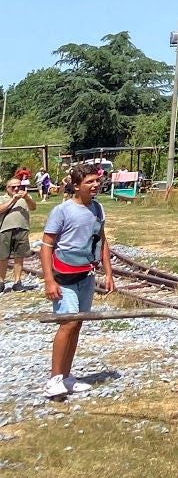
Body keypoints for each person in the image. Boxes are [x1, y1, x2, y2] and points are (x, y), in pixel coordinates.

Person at [41, 164, 115, 399]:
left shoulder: (98, 208)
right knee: (68, 323)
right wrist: (49, 280)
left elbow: (102, 240)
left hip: (86, 275)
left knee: (78, 323)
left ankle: (66, 377)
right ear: (76, 185)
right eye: (89, 182)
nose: (95, 185)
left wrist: (109, 272)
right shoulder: (62, 211)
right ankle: (54, 379)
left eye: (96, 181)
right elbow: (46, 246)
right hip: (64, 276)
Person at [1, 175, 37, 291]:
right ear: (7, 188)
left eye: (19, 186)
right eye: (13, 187)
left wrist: (27, 198)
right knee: (3, 256)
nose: (16, 189)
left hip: (22, 229)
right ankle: (1, 281)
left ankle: (17, 281)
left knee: (19, 256)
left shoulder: (26, 197)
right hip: (5, 230)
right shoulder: (2, 198)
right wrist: (13, 200)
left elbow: (33, 207)